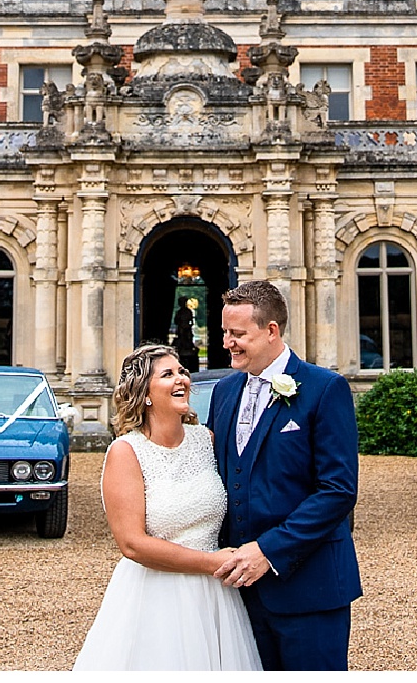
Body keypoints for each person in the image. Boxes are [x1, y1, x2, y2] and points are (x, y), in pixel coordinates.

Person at [72, 345, 263, 671]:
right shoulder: (126, 452)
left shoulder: (206, 441)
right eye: (168, 374)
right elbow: (132, 544)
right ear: (144, 394)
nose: (182, 380)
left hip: (216, 596)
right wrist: (210, 563)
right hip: (157, 595)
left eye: (182, 372)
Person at [209, 280, 361, 671]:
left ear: (271, 330)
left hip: (310, 588)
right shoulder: (224, 392)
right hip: (238, 594)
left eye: (238, 334)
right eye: (225, 332)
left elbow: (337, 491)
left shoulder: (326, 388)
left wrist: (268, 551)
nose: (227, 342)